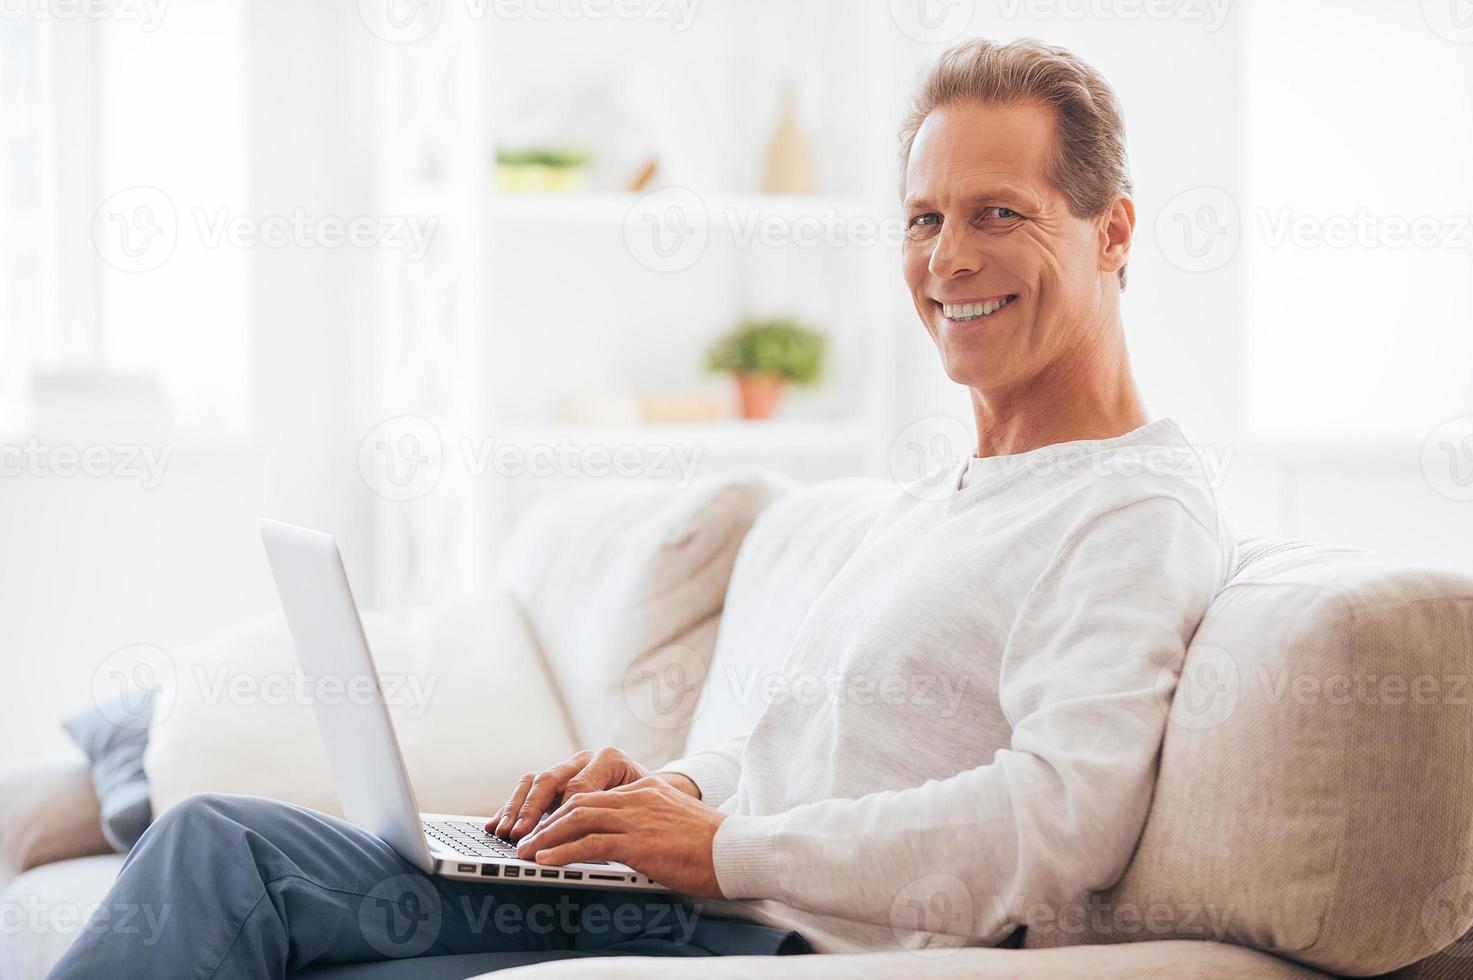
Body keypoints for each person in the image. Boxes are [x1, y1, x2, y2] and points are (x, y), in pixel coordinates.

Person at [48, 37, 1233, 978]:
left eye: (999, 213)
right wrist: (674, 789)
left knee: (221, 853)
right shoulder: (943, 494)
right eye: (924, 218)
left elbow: (1056, 824)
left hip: (792, 938)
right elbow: (805, 756)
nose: (948, 258)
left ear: (1113, 228)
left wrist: (717, 849)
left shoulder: (1130, 510)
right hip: (717, 894)